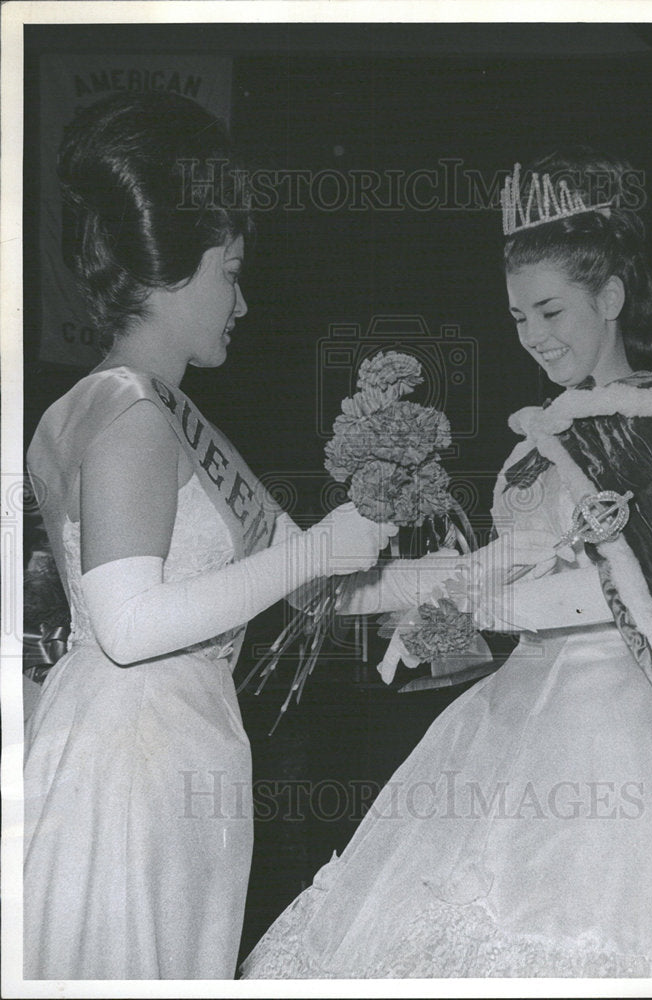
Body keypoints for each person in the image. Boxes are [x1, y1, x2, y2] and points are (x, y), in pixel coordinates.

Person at [241, 150, 652, 978]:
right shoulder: (550, 431)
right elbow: (501, 565)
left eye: (551, 310)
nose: (533, 336)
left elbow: (623, 591)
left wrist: (476, 610)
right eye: (519, 316)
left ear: (610, 296)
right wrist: (333, 584)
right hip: (514, 705)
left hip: (615, 726)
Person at [23, 91, 395, 980]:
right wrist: (315, 553)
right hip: (135, 758)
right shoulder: (132, 418)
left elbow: (309, 577)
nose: (242, 298)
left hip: (169, 742)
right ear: (169, 275)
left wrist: (468, 578)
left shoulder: (154, 412)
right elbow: (128, 626)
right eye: (228, 270)